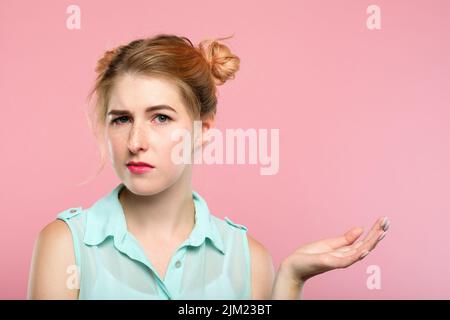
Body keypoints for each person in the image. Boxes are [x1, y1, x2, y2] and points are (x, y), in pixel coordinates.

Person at [27, 34, 390, 300]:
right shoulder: (66, 246)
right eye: (121, 119)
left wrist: (290, 283)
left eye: (161, 118)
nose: (136, 141)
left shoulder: (249, 259)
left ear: (203, 130)